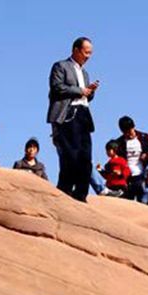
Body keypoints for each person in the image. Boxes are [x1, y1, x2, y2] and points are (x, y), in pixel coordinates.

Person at [47, 37, 99, 201]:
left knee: (86, 156)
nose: (88, 56)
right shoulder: (61, 66)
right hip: (68, 114)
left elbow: (85, 96)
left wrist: (90, 91)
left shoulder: (85, 73)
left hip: (84, 114)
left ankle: (81, 194)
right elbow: (57, 88)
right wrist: (80, 90)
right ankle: (65, 190)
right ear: (76, 50)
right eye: (86, 52)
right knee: (70, 155)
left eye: (90, 53)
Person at [115, 116, 148, 202]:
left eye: (130, 131)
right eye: (126, 132)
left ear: (134, 127)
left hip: (143, 178)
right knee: (126, 205)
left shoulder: (144, 137)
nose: (129, 134)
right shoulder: (119, 143)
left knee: (144, 205)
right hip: (127, 180)